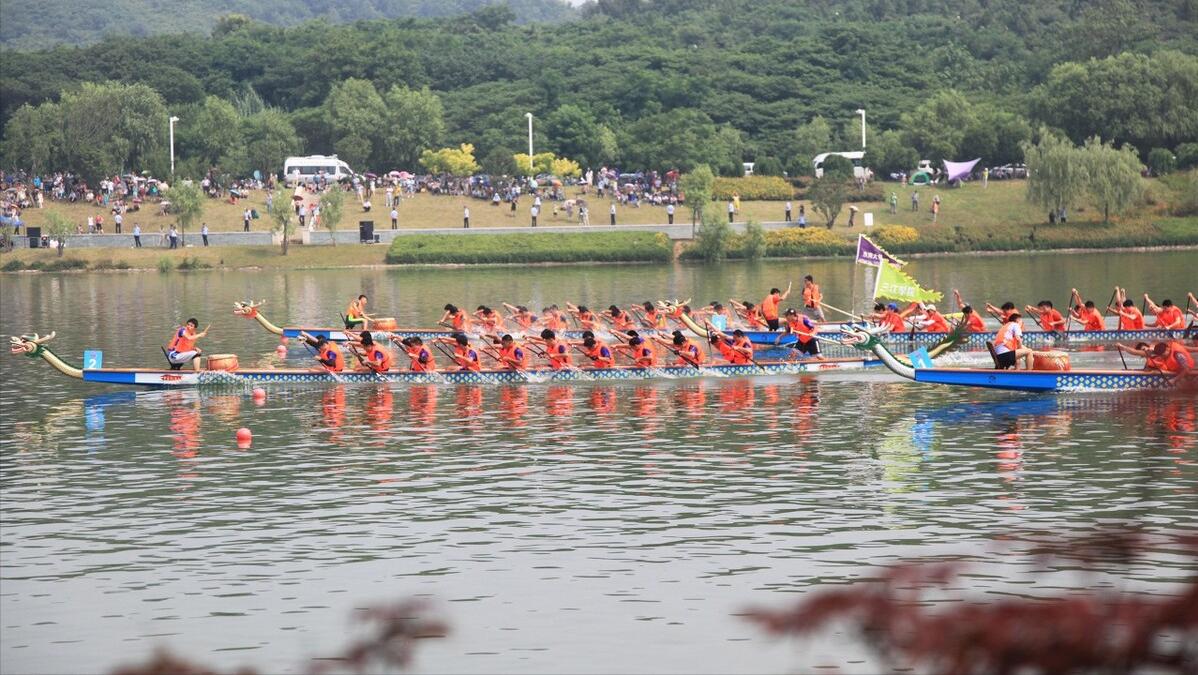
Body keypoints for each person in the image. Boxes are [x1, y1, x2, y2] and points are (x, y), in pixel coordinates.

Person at [1116, 341, 1194, 374]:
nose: (1145, 350)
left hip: (1168, 372)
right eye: (1143, 350)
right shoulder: (1152, 353)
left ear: (1148, 346)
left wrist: (1121, 346)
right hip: (1169, 369)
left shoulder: (1153, 351)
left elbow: (1134, 352)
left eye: (1145, 348)